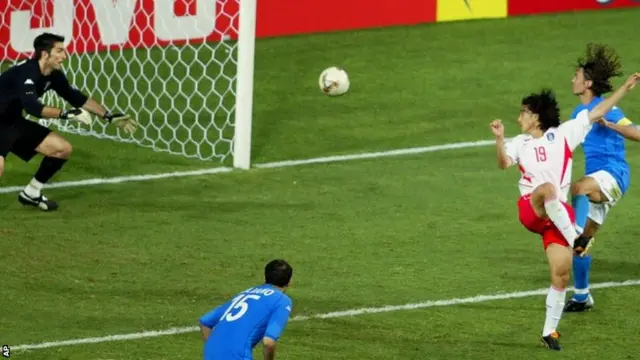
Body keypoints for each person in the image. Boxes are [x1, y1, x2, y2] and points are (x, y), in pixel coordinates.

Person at [490, 72, 639, 350]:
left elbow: (597, 112)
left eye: (523, 112)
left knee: (561, 273)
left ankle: (550, 331)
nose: (518, 118)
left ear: (536, 116)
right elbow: (503, 163)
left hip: (557, 217)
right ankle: (577, 240)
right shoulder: (519, 143)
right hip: (532, 210)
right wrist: (499, 140)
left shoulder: (564, 134)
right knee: (548, 188)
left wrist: (624, 89)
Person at [0, 32, 137, 211]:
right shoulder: (27, 73)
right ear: (44, 54)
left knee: (61, 149)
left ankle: (32, 193)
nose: (65, 56)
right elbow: (33, 107)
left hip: (11, 121)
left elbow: (76, 98)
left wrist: (108, 116)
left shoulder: (53, 75)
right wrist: (65, 114)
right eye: (59, 51)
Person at [564, 43, 640, 312]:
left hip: (614, 173)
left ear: (588, 83)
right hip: (598, 177)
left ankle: (572, 230)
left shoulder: (604, 108)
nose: (572, 79)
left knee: (579, 188)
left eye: (576, 76)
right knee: (581, 245)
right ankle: (582, 296)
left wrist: (608, 124)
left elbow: (637, 132)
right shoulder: (577, 113)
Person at [199, 259, 293, 360]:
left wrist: (217, 351)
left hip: (211, 354)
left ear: (265, 276)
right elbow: (268, 342)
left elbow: (204, 322)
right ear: (290, 281)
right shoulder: (281, 300)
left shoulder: (246, 292)